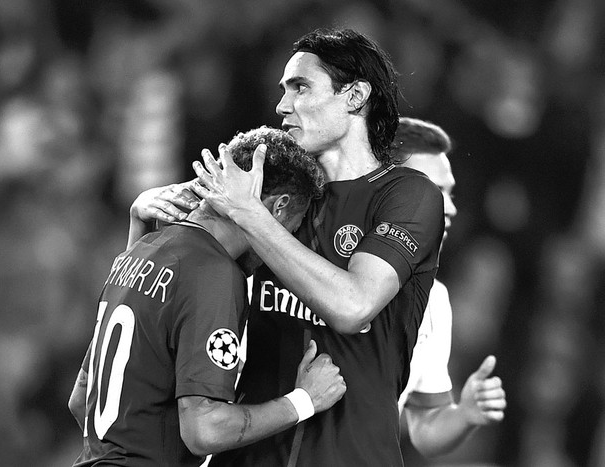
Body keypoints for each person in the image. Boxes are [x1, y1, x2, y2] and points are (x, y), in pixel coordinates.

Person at [130, 28, 444, 466]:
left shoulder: (407, 195)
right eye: (283, 90)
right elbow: (157, 306)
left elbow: (353, 306)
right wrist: (143, 225)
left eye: (301, 87)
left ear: (354, 96)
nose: (282, 106)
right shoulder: (274, 195)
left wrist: (250, 216)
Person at [68, 126, 347, 467]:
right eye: (290, 229)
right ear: (278, 207)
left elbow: (81, 399)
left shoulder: (139, 251)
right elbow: (205, 430)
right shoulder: (213, 272)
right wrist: (304, 400)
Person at [393, 117, 506, 458]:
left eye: (450, 192)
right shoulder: (313, 268)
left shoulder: (435, 300)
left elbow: (425, 429)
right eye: (436, 190)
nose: (452, 207)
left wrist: (465, 415)